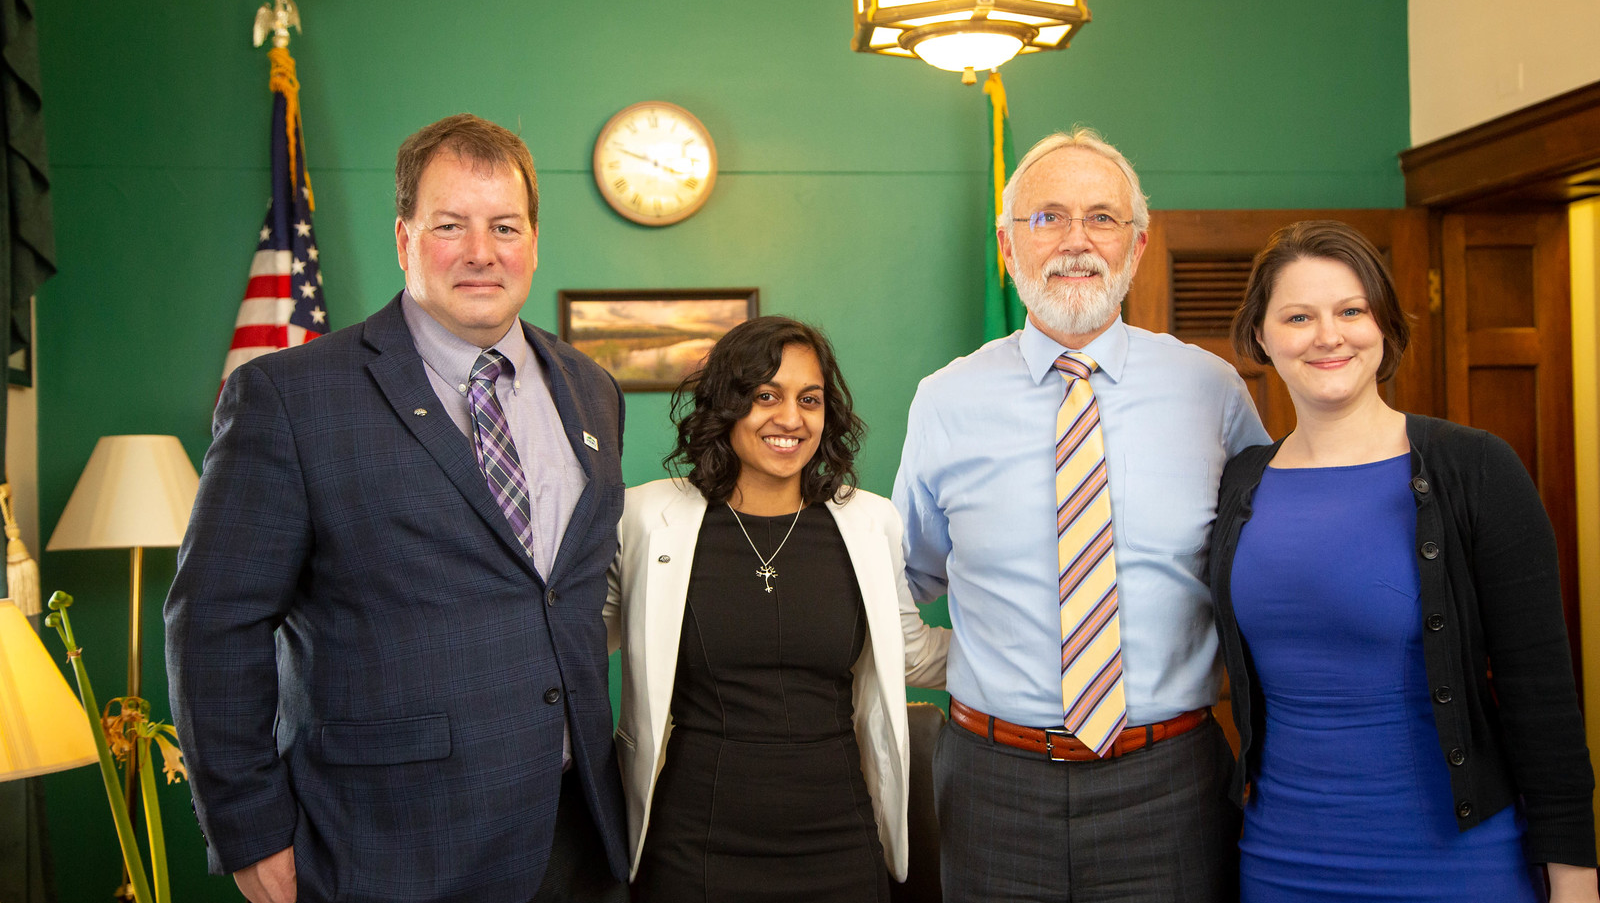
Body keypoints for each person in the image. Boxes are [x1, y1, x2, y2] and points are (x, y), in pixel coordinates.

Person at [165, 113, 629, 903]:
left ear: (534, 241)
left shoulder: (591, 387)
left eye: (504, 226)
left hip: (576, 830)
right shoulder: (289, 397)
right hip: (388, 845)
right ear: (405, 239)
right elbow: (212, 623)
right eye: (451, 225)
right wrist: (249, 828)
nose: (482, 252)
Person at [892, 128, 1269, 902]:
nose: (1076, 241)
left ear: (1136, 245)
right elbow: (899, 571)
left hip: (1173, 778)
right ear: (1007, 244)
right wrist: (959, 662)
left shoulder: (1215, 390)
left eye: (1102, 218)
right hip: (992, 780)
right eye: (1048, 217)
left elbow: (1265, 569)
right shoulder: (946, 399)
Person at [1212, 219, 1598, 902]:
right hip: (1279, 860)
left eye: (1352, 310)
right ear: (1261, 337)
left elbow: (1542, 697)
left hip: (1457, 862)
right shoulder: (1239, 481)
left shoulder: (1475, 468)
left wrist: (1575, 881)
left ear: (1384, 325)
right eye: (1298, 316)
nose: (1328, 335)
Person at [605, 316, 949, 902]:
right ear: (725, 405)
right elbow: (572, 646)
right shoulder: (644, 520)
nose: (790, 418)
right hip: (694, 840)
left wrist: (1051, 652)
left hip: (841, 837)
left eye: (809, 400)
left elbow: (912, 653)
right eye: (766, 395)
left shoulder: (870, 522)